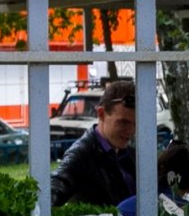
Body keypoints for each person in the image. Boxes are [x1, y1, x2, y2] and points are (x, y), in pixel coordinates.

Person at [50, 78, 138, 208]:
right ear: (101, 114)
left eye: (135, 123)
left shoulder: (131, 154)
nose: (131, 130)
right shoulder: (81, 154)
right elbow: (56, 185)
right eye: (123, 122)